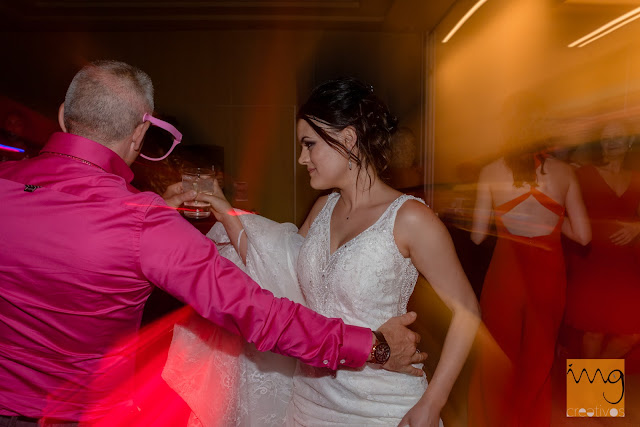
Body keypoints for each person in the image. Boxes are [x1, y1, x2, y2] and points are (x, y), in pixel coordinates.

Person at [0, 61, 425, 426]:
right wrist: (373, 345)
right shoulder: (143, 224)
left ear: (62, 116)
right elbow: (257, 313)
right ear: (138, 135)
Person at [169, 77, 480, 426]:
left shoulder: (410, 218)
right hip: (308, 406)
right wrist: (222, 210)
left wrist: (432, 403)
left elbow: (467, 311)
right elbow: (276, 271)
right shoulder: (321, 210)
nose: (303, 159)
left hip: (383, 409)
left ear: (347, 140)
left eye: (309, 144)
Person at [468, 132, 591, 426]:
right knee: (539, 356)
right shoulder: (564, 172)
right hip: (548, 270)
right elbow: (585, 236)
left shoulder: (490, 171)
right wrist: (551, 221)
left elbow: (476, 236)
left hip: (506, 270)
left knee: (498, 354)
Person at [563, 120, 640, 364]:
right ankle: (590, 400)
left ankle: (594, 382)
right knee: (594, 331)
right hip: (593, 260)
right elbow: (560, 210)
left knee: (632, 334)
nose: (612, 142)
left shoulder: (637, 177)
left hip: (627, 265)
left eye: (618, 136)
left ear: (629, 143)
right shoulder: (583, 173)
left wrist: (638, 226)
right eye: (607, 137)